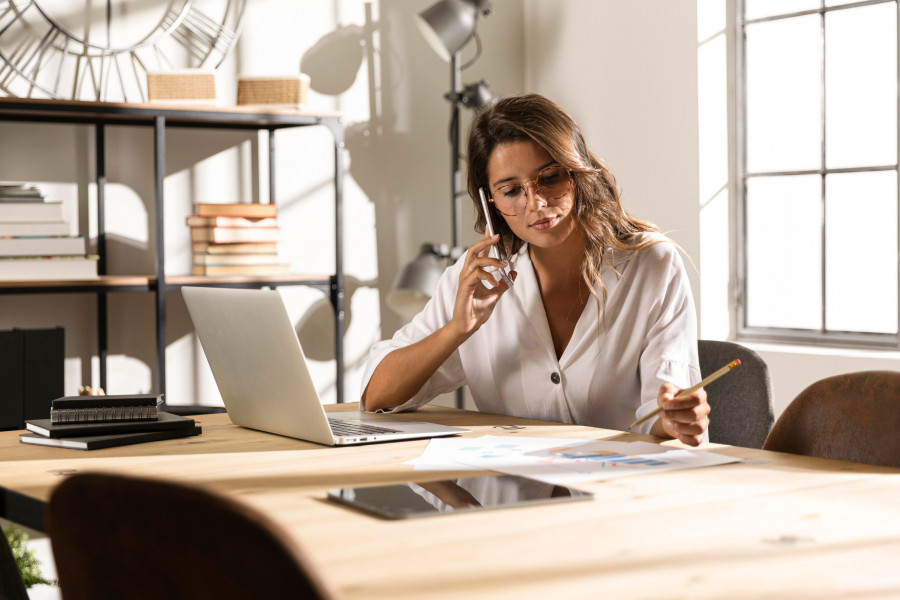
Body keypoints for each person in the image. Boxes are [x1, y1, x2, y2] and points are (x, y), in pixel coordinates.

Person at [361, 93, 709, 446]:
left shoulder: (651, 266)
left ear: (576, 171)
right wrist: (457, 330)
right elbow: (376, 397)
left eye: (550, 177)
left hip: (619, 489)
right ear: (491, 202)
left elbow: (664, 412)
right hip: (510, 493)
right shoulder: (476, 280)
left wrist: (676, 419)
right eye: (512, 190)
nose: (536, 203)